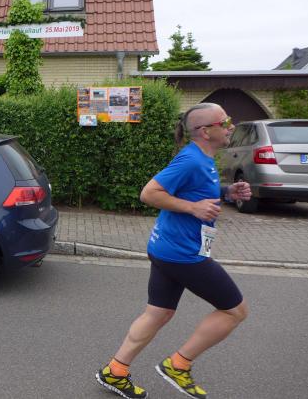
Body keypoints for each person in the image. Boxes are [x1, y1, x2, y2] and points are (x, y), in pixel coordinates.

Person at [95, 102, 251, 399]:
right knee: (235, 311)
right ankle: (178, 365)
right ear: (205, 131)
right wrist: (193, 208)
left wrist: (227, 193)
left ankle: (115, 371)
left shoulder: (203, 158)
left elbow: (196, 191)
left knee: (158, 313)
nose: (231, 126)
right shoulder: (191, 160)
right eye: (225, 121)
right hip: (183, 254)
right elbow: (149, 193)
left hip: (166, 247)